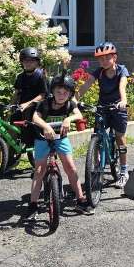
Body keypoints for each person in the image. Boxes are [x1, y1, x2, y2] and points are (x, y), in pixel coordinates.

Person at [25, 74, 88, 217]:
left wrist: (68, 119)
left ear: (70, 94)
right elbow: (35, 117)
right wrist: (46, 126)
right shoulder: (44, 104)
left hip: (61, 138)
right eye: (58, 92)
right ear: (52, 92)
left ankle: (80, 199)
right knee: (39, 171)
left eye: (65, 93)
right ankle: (33, 204)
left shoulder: (70, 104)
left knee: (70, 167)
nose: (61, 95)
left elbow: (78, 115)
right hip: (42, 139)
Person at [77, 42, 130, 185]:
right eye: (101, 59)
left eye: (107, 58)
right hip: (102, 106)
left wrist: (123, 101)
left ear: (115, 57)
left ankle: (124, 171)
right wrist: (74, 100)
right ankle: (97, 168)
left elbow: (122, 86)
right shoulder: (99, 72)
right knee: (97, 136)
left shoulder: (121, 70)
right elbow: (86, 85)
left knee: (119, 137)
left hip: (118, 107)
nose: (104, 61)